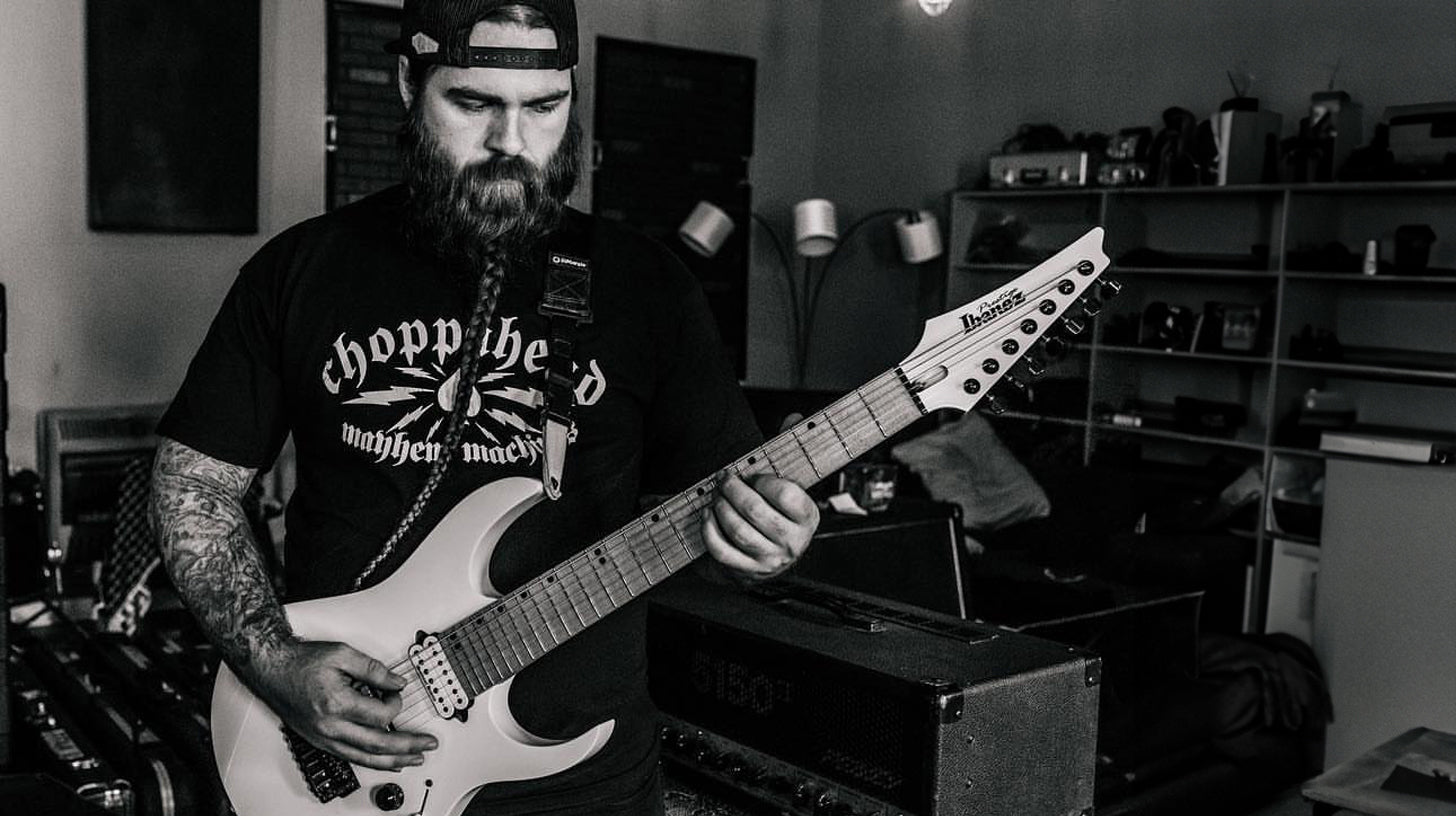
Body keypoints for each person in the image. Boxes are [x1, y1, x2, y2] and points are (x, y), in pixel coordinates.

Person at [148, 1, 820, 813]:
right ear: (408, 81)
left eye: (544, 108)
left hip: (588, 782)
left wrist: (765, 545)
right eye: (473, 104)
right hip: (349, 758)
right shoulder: (299, 271)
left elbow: (721, 526)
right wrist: (274, 660)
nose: (513, 142)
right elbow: (193, 487)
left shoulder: (649, 289)